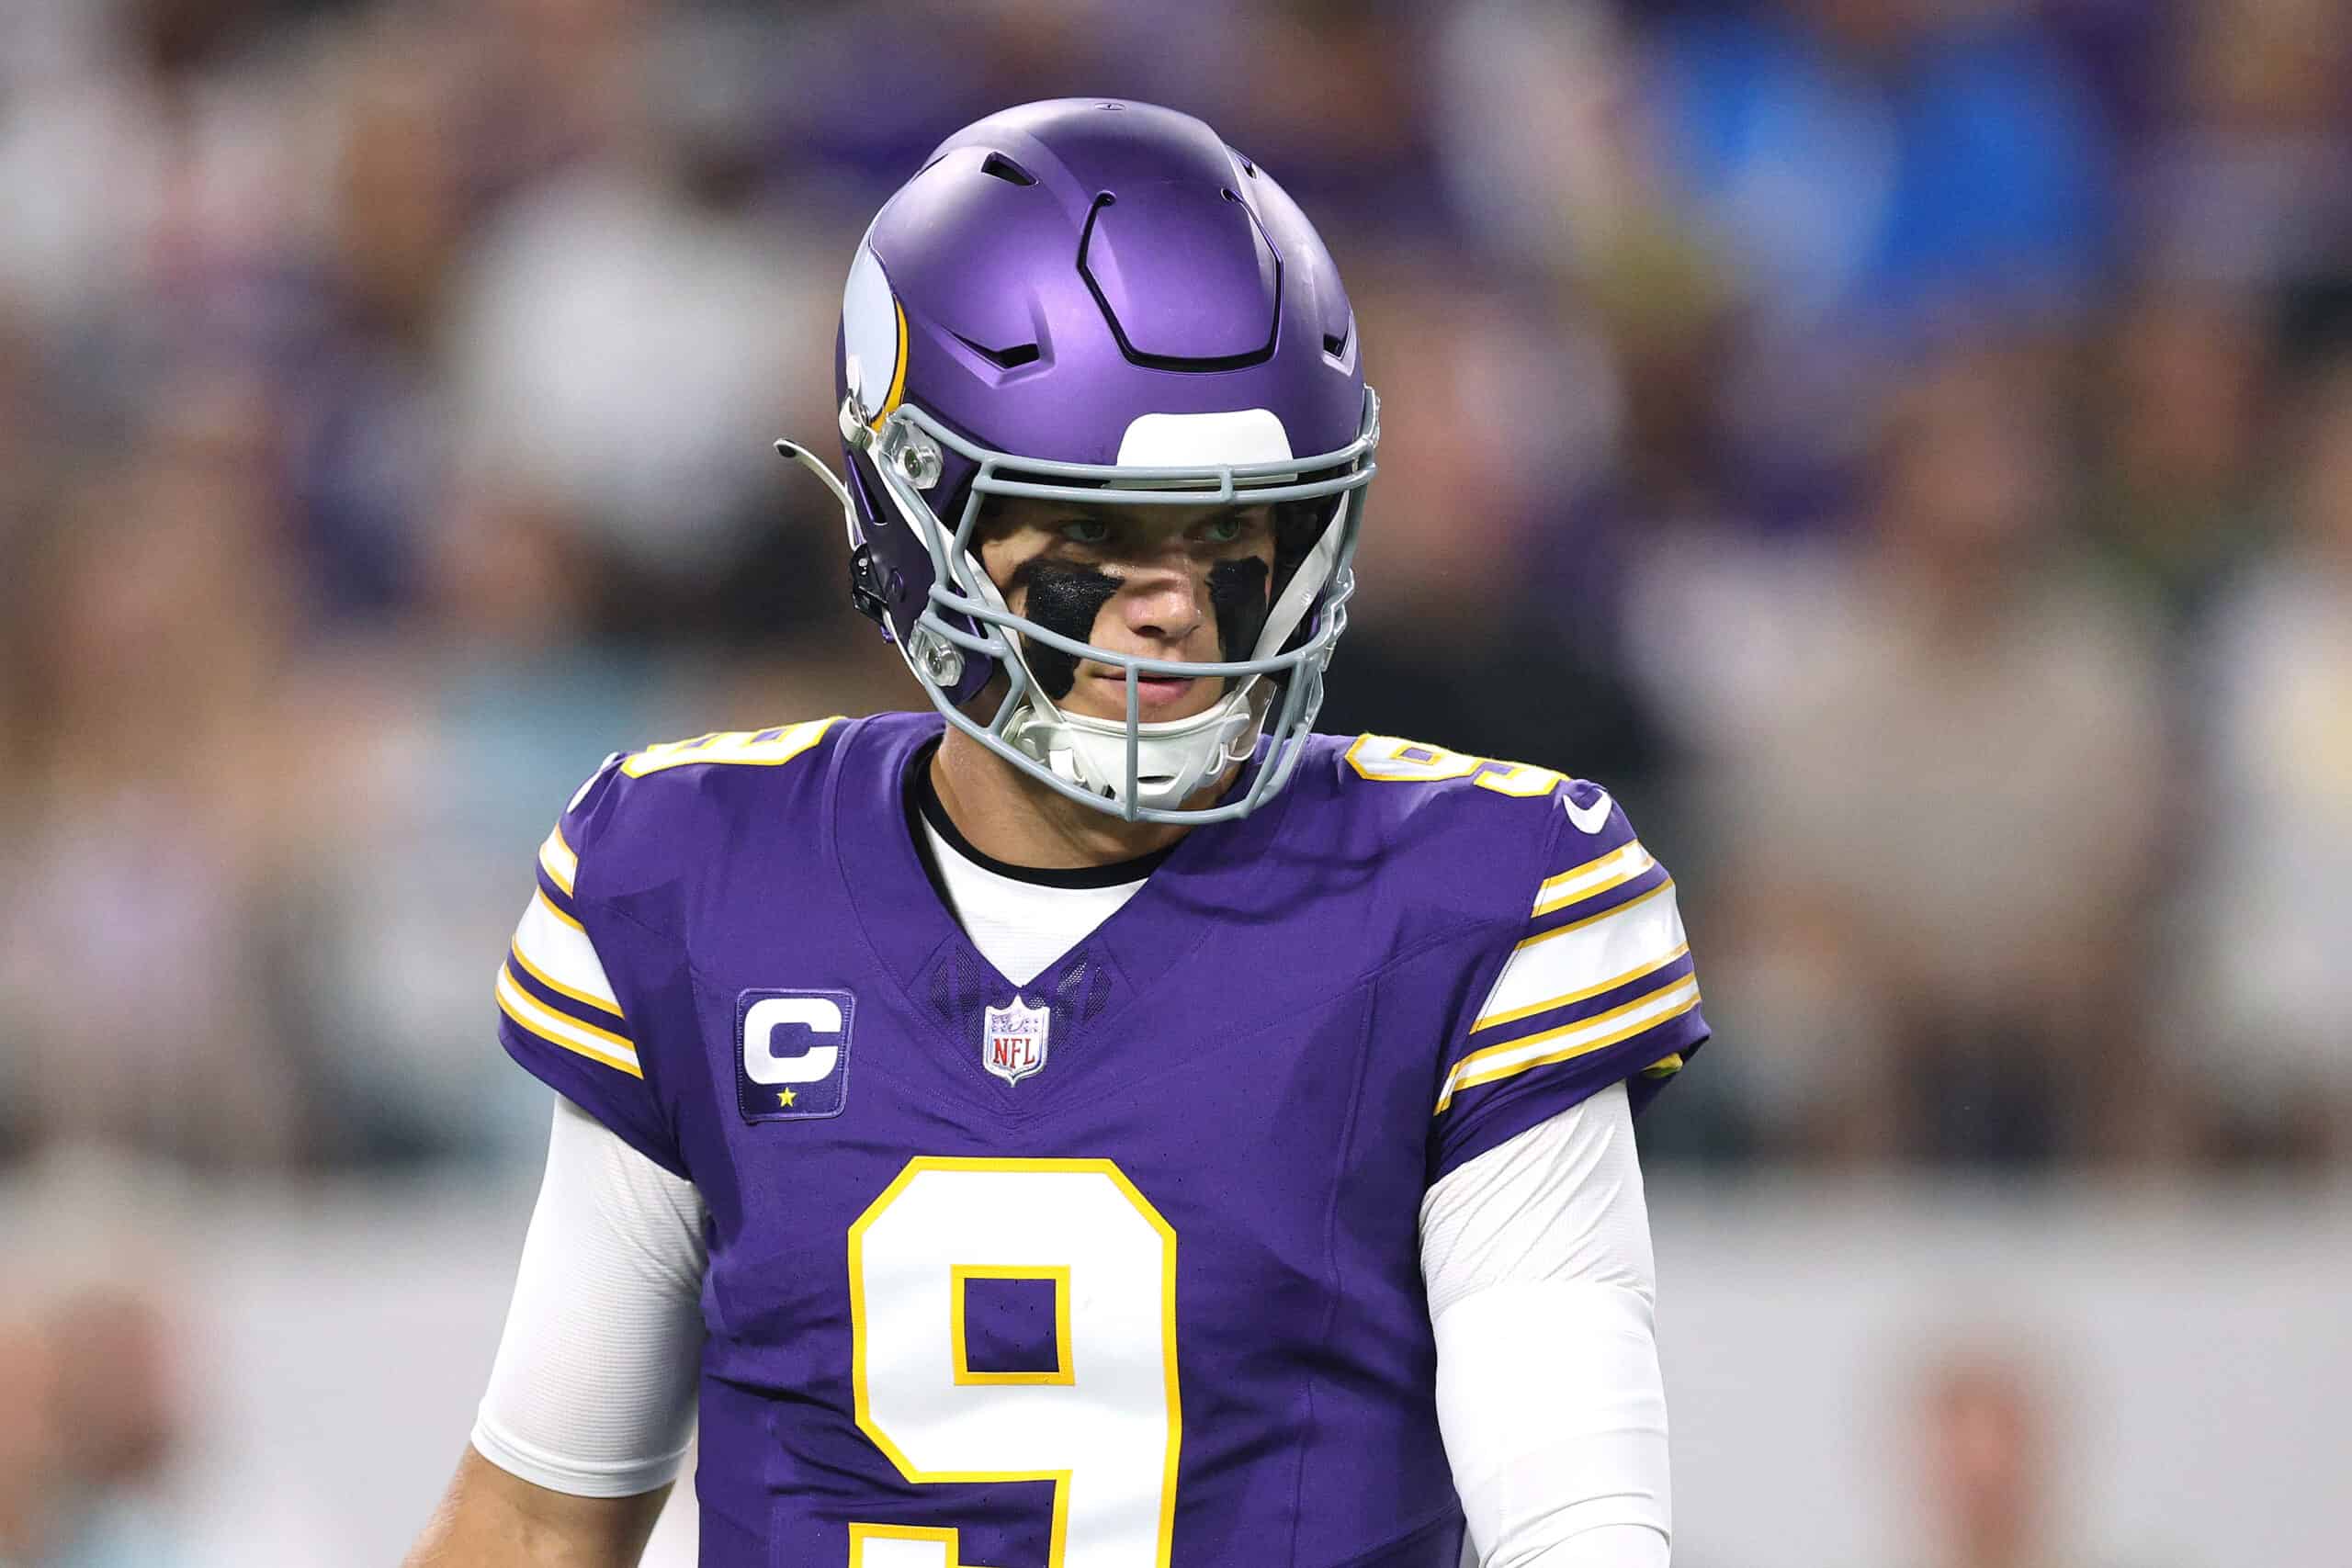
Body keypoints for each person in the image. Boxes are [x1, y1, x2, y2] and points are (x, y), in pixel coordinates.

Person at [403, 99, 1708, 1568]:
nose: (1178, 607)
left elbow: (1579, 1535)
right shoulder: (698, 880)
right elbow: (537, 1522)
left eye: (1232, 533)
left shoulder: (1475, 903)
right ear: (915, 516)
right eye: (1097, 534)